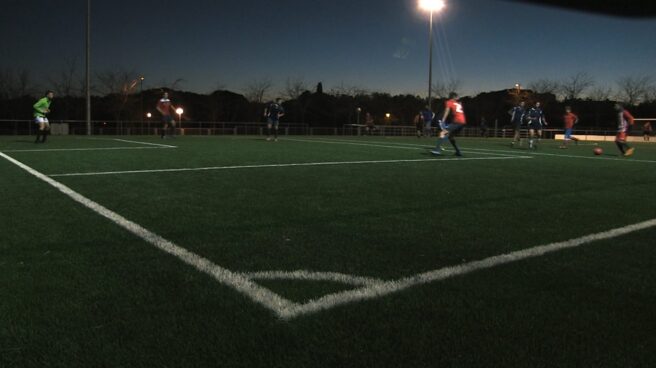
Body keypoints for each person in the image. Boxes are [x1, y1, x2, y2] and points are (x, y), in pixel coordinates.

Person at [431, 92, 466, 156]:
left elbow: (447, 111)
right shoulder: (458, 104)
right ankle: (458, 152)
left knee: (442, 133)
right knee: (450, 137)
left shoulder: (449, 102)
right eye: (457, 96)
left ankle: (437, 150)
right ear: (454, 97)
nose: (458, 98)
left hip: (457, 122)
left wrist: (443, 120)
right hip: (463, 122)